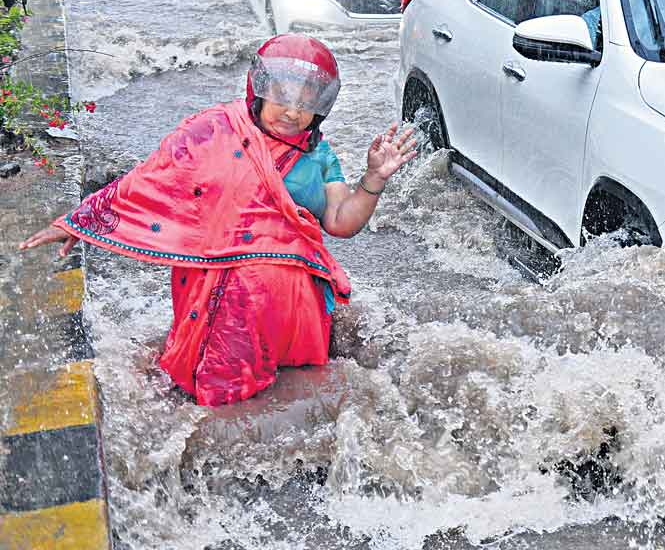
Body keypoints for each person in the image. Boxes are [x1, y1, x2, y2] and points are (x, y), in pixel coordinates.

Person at [18, 35, 418, 407]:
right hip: (226, 296)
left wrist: (374, 179)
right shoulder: (214, 132)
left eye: (307, 101)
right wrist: (79, 222)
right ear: (258, 89)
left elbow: (340, 222)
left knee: (294, 392)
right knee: (220, 394)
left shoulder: (320, 155)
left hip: (295, 305)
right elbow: (151, 180)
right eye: (282, 95)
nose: (294, 111)